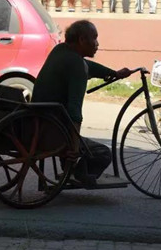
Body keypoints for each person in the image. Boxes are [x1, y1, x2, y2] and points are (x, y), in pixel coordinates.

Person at [32, 20, 131, 187]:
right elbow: (74, 110)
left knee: (78, 138)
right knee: (103, 153)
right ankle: (77, 174)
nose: (97, 43)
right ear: (82, 40)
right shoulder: (76, 64)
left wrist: (113, 73)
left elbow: (88, 66)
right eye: (94, 38)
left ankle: (72, 169)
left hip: (38, 121)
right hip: (54, 129)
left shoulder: (60, 50)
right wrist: (75, 146)